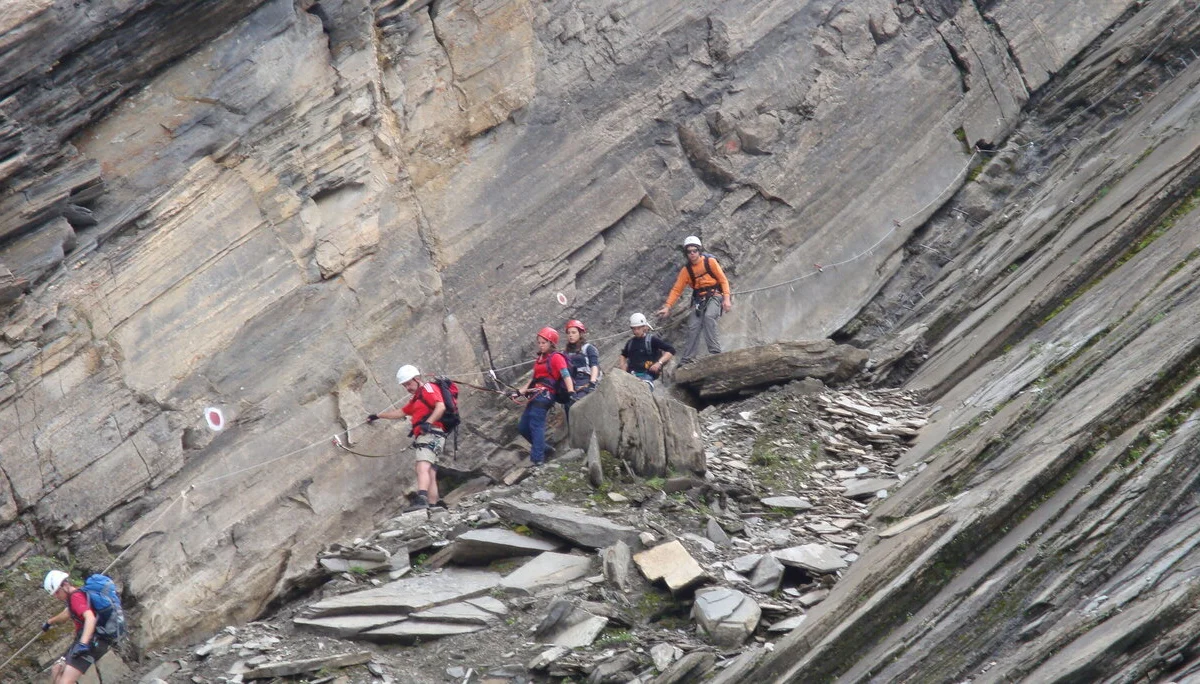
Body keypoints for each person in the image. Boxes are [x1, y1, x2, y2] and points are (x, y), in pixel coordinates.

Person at [368, 364, 447, 510]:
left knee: (421, 466)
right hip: (432, 434)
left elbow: (441, 406)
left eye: (408, 384)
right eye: (404, 386)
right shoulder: (417, 399)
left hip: (431, 433)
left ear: (417, 379)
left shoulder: (428, 389)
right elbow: (401, 412)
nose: (407, 388)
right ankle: (433, 505)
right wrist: (378, 416)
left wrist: (428, 423)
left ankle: (422, 498)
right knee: (430, 470)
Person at [656, 235, 732, 364]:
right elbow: (677, 289)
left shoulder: (710, 262)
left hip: (715, 295)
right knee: (693, 326)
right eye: (689, 252)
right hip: (699, 300)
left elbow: (723, 280)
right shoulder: (686, 270)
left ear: (699, 250)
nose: (692, 254)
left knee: (709, 317)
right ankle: (687, 359)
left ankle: (715, 352)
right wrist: (667, 306)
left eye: (694, 251)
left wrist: (727, 299)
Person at [518, 327, 575, 465]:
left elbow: (565, 374)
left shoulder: (556, 357)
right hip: (535, 394)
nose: (541, 345)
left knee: (536, 424)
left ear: (551, 343)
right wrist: (520, 391)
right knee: (523, 427)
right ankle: (545, 449)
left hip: (546, 395)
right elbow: (534, 379)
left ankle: (537, 459)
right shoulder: (540, 359)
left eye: (544, 342)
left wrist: (571, 391)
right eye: (540, 342)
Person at [42, 570, 111, 684]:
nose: (56, 596)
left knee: (64, 682)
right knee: (56, 669)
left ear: (65, 585)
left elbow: (90, 618)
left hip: (92, 642)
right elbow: (66, 615)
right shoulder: (73, 597)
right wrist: (49, 622)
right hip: (85, 640)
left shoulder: (76, 597)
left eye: (57, 592)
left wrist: (83, 644)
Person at [619, 312, 675, 388]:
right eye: (634, 329)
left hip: (648, 375)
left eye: (638, 328)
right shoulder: (630, 343)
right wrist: (623, 366)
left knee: (642, 388)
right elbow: (623, 354)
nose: (636, 331)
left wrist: (659, 363)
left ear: (644, 327)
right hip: (632, 374)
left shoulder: (652, 340)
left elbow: (671, 350)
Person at [563, 319, 601, 398]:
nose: (570, 335)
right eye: (568, 333)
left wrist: (592, 382)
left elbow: (594, 365)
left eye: (573, 332)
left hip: (585, 380)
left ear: (580, 333)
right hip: (571, 384)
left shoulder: (588, 348)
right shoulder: (565, 353)